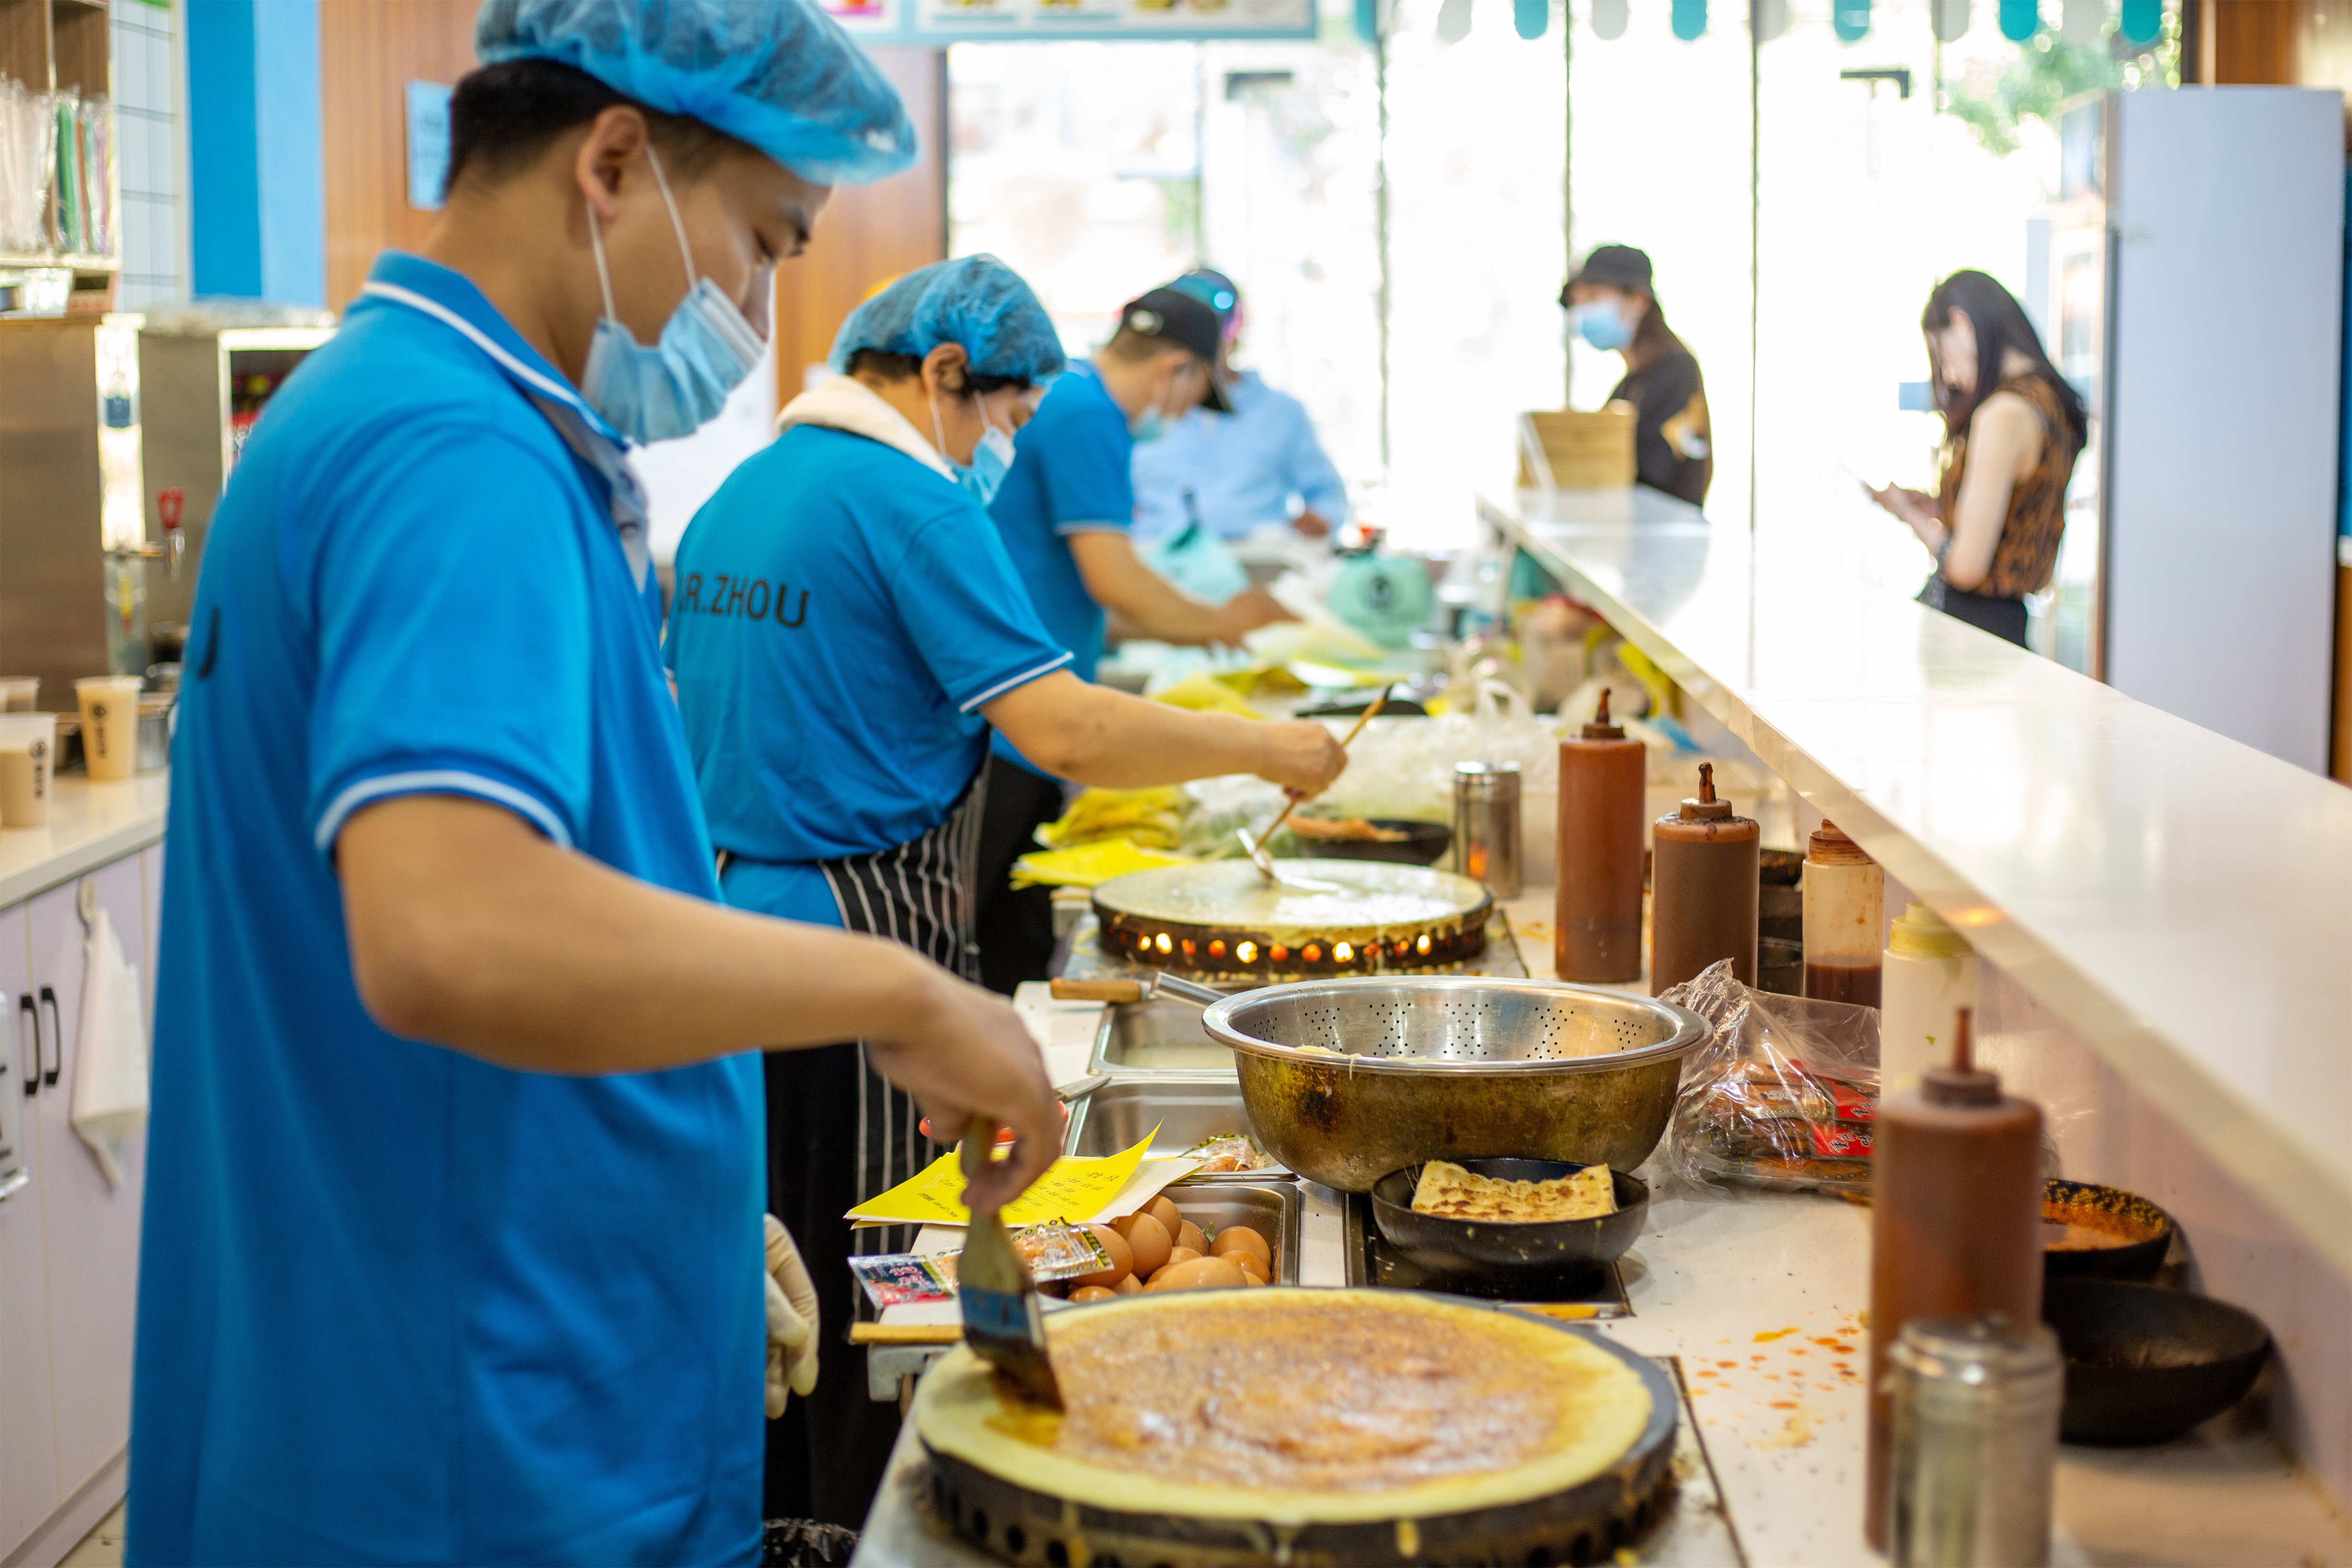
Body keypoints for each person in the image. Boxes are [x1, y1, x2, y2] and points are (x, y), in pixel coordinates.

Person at [124, 5, 1065, 1565]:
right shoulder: (453, 458)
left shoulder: (423, 421)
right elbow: (455, 935)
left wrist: (691, 1206)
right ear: (614, 162)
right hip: (467, 1449)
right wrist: (900, 991)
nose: (757, 310)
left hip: (462, 1354)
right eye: (761, 245)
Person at [664, 256, 1345, 1520]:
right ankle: (867, 1531)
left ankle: (782, 1534)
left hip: (722, 948)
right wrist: (1267, 747)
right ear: (944, 375)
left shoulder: (743, 493)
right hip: (859, 953)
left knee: (771, 1301)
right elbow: (1067, 728)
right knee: (877, 1301)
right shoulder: (911, 503)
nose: (1003, 450)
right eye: (1007, 417)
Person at [973, 287, 1295, 992]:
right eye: (1196, 395)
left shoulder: (1069, 398)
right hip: (1010, 726)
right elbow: (1113, 577)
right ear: (1176, 369)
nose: (1183, 414)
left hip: (1009, 711)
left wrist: (1195, 627)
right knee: (997, 945)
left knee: (1007, 936)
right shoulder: (1090, 413)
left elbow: (1089, 601)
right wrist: (1220, 619)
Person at [1865, 269, 2087, 649]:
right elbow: (2015, 516)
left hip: (1972, 635)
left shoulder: (2003, 414)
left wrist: (1904, 510)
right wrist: (1940, 507)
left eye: (1942, 355)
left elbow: (1965, 568)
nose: (1949, 375)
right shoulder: (2050, 402)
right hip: (2008, 627)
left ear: (1962, 324)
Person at [1131, 268, 1351, 543]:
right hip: (1154, 560)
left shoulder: (1282, 413)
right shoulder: (1137, 410)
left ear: (1235, 333)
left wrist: (1321, 520)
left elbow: (1329, 497)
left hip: (1256, 560)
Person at [1560, 244, 1713, 506]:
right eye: (1578, 303)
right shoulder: (1628, 385)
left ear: (1638, 301)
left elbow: (1657, 474)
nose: (1583, 312)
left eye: (1593, 298)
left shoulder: (1677, 371)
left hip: (1663, 528)